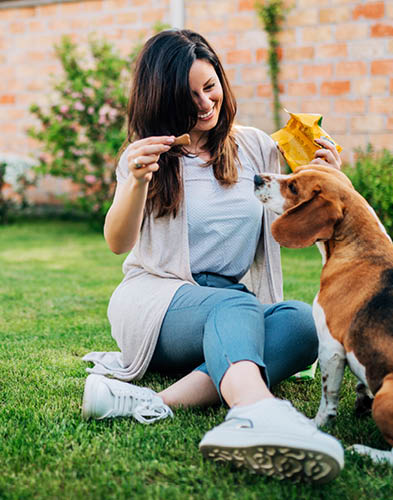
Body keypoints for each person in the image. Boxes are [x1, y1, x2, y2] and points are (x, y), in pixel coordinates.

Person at [81, 29, 345, 483]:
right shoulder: (147, 157)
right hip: (158, 303)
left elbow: (293, 222)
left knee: (303, 324)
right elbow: (117, 242)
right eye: (189, 96)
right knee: (236, 302)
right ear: (161, 100)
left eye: (211, 86)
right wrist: (135, 181)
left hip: (226, 308)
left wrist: (330, 179)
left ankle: (152, 403)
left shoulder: (256, 147)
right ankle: (258, 411)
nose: (205, 104)